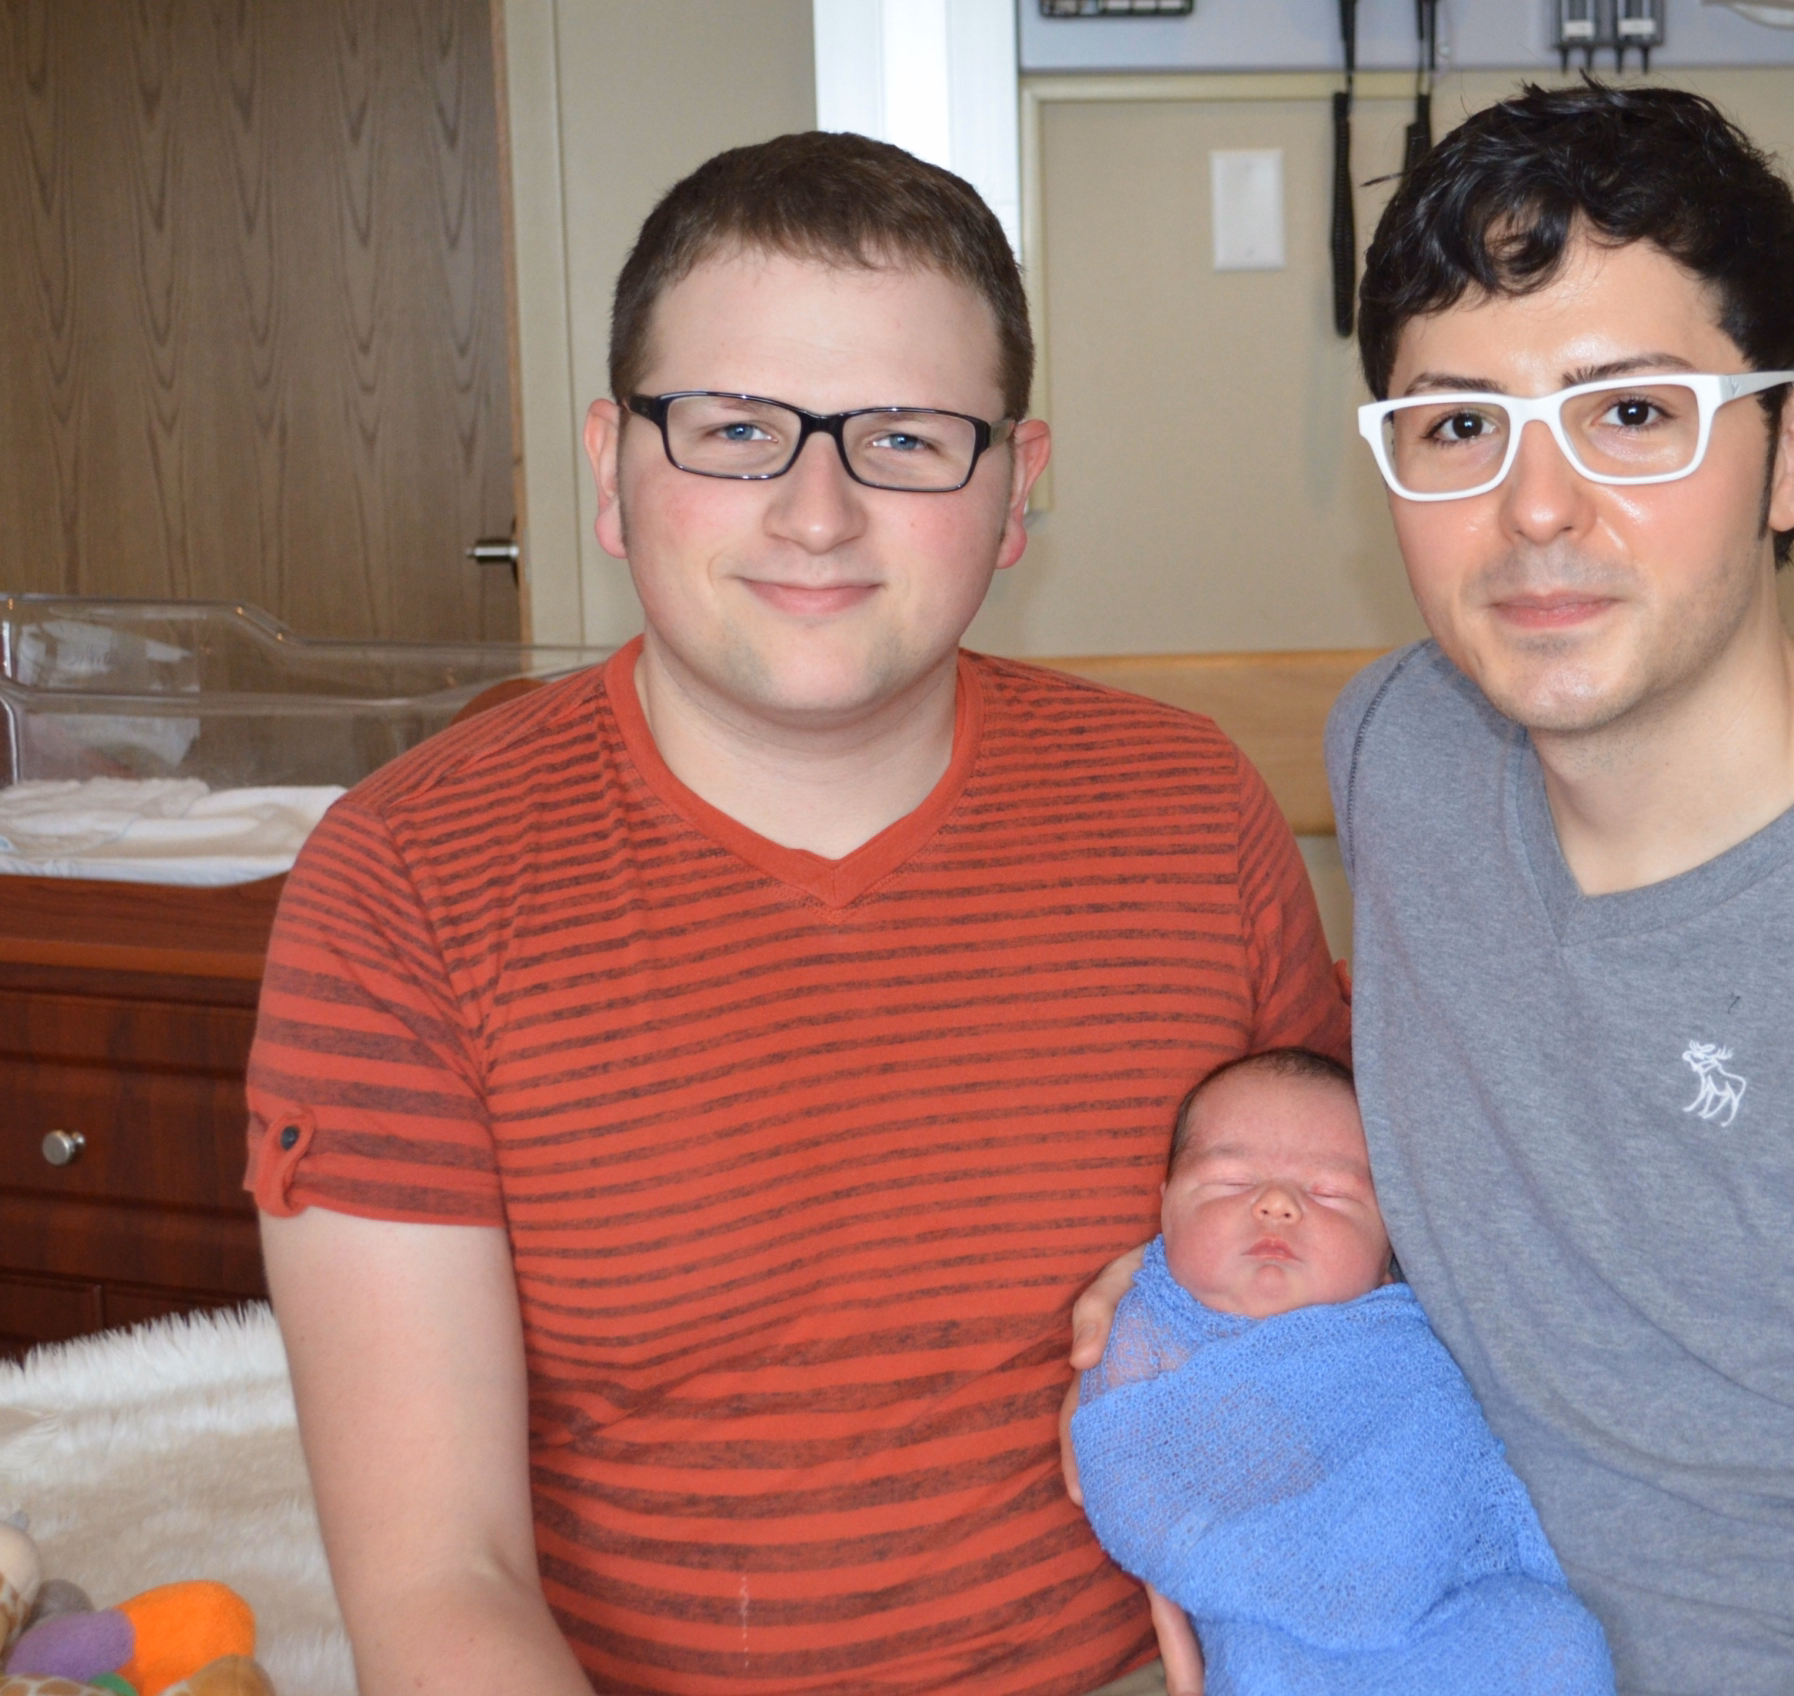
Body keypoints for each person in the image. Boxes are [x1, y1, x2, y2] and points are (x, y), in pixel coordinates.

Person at [1074, 82, 1794, 1696]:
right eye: (1459, 425)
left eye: (1630, 412)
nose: (1534, 510)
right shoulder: (1402, 754)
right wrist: (1185, 1306)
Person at [247, 132, 1346, 1696]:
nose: (817, 512)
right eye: (736, 429)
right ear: (614, 473)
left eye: (906, 438)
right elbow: (443, 1584)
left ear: (1016, 490)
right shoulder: (405, 884)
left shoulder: (1191, 813)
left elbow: (1378, 1297)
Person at [1071, 1051, 1616, 1696]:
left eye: (1329, 1193)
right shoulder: (1152, 1319)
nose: (1276, 1204)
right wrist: (1219, 1557)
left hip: (1446, 1590)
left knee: (1553, 1639)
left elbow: (1443, 1458)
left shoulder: (1397, 1317)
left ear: (1390, 1246)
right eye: (1229, 1182)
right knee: (1269, 1673)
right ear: (1164, 1209)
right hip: (1272, 1610)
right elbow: (1118, 1462)